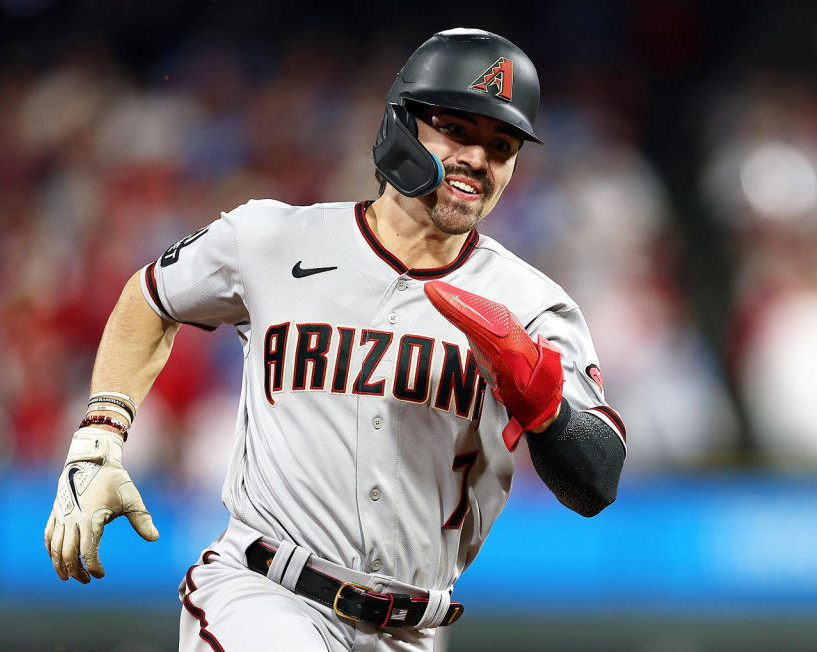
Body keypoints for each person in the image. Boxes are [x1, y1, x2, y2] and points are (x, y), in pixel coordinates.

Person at [44, 28, 626, 651]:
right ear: (402, 125)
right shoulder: (271, 239)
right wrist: (99, 435)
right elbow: (151, 296)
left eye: (501, 145)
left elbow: (596, 482)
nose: (479, 160)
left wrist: (547, 412)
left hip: (413, 627)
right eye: (458, 130)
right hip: (265, 594)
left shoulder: (531, 305)